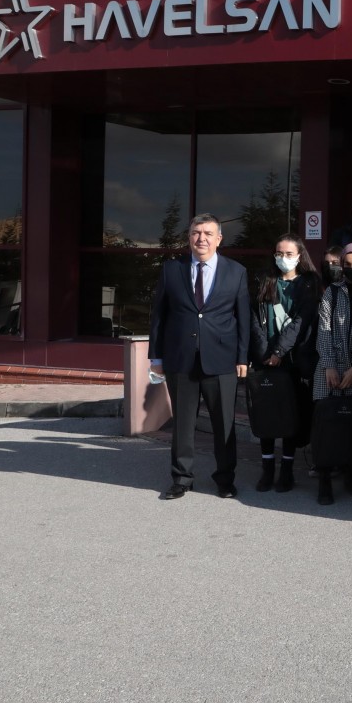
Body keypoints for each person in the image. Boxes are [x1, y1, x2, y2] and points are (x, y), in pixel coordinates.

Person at [150, 214, 250, 500]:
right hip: (181, 359)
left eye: (207, 233)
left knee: (224, 424)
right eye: (196, 233)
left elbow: (243, 318)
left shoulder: (236, 271)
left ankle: (225, 480)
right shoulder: (171, 269)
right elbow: (159, 316)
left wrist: (243, 357)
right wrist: (156, 358)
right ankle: (182, 479)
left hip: (221, 360)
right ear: (189, 237)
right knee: (182, 424)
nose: (201, 238)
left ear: (219, 239)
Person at [249, 234, 321, 493]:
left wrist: (279, 351)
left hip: (292, 362)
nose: (283, 258)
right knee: (267, 417)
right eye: (279, 253)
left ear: (300, 256)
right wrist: (264, 353)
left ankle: (287, 472)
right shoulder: (264, 280)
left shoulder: (309, 283)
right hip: (265, 360)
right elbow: (254, 320)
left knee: (290, 418)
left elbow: (302, 321)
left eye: (289, 254)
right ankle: (267, 470)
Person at [313, 242, 352, 505]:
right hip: (328, 368)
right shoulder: (333, 292)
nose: (351, 268)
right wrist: (329, 365)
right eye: (346, 264)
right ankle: (324, 480)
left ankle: (351, 476)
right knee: (325, 426)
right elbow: (324, 329)